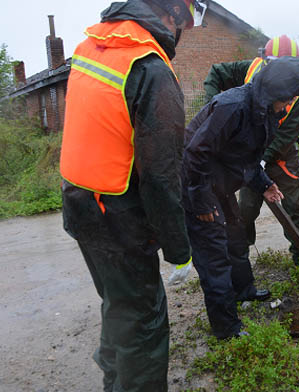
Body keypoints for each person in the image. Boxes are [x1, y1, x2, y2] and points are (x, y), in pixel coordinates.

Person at [59, 0, 206, 390]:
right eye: (185, 22)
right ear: (171, 13)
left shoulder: (90, 47)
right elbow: (160, 177)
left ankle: (114, 377)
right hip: (119, 219)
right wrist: (178, 250)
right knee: (144, 323)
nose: (184, 32)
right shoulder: (150, 68)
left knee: (117, 302)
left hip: (80, 205)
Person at [183, 56, 299, 339]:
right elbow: (194, 154)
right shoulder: (233, 106)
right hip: (198, 185)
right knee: (215, 256)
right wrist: (201, 201)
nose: (289, 105)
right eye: (287, 99)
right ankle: (227, 330)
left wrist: (264, 184)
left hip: (221, 183)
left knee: (236, 236)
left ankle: (244, 291)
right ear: (275, 92)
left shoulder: (265, 113)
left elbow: (249, 159)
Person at [204, 35, 299, 278]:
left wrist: (264, 158)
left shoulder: (298, 91)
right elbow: (215, 74)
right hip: (250, 156)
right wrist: (212, 105)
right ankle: (241, 261)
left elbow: (289, 131)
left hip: (281, 156)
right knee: (244, 210)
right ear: (265, 60)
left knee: (293, 207)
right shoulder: (249, 69)